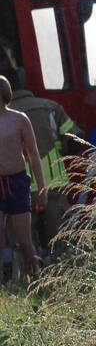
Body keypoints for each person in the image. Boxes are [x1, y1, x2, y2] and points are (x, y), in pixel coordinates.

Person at [6, 74, 82, 262]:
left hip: (17, 187)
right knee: (59, 238)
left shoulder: (4, 115)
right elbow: (75, 141)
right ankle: (61, 273)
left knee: (24, 243)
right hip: (53, 184)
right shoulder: (50, 107)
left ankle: (30, 278)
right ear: (25, 85)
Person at [0, 75, 46, 280]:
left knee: (24, 241)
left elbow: (33, 155)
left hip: (17, 182)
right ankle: (5, 279)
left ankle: (34, 276)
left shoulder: (19, 119)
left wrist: (41, 189)